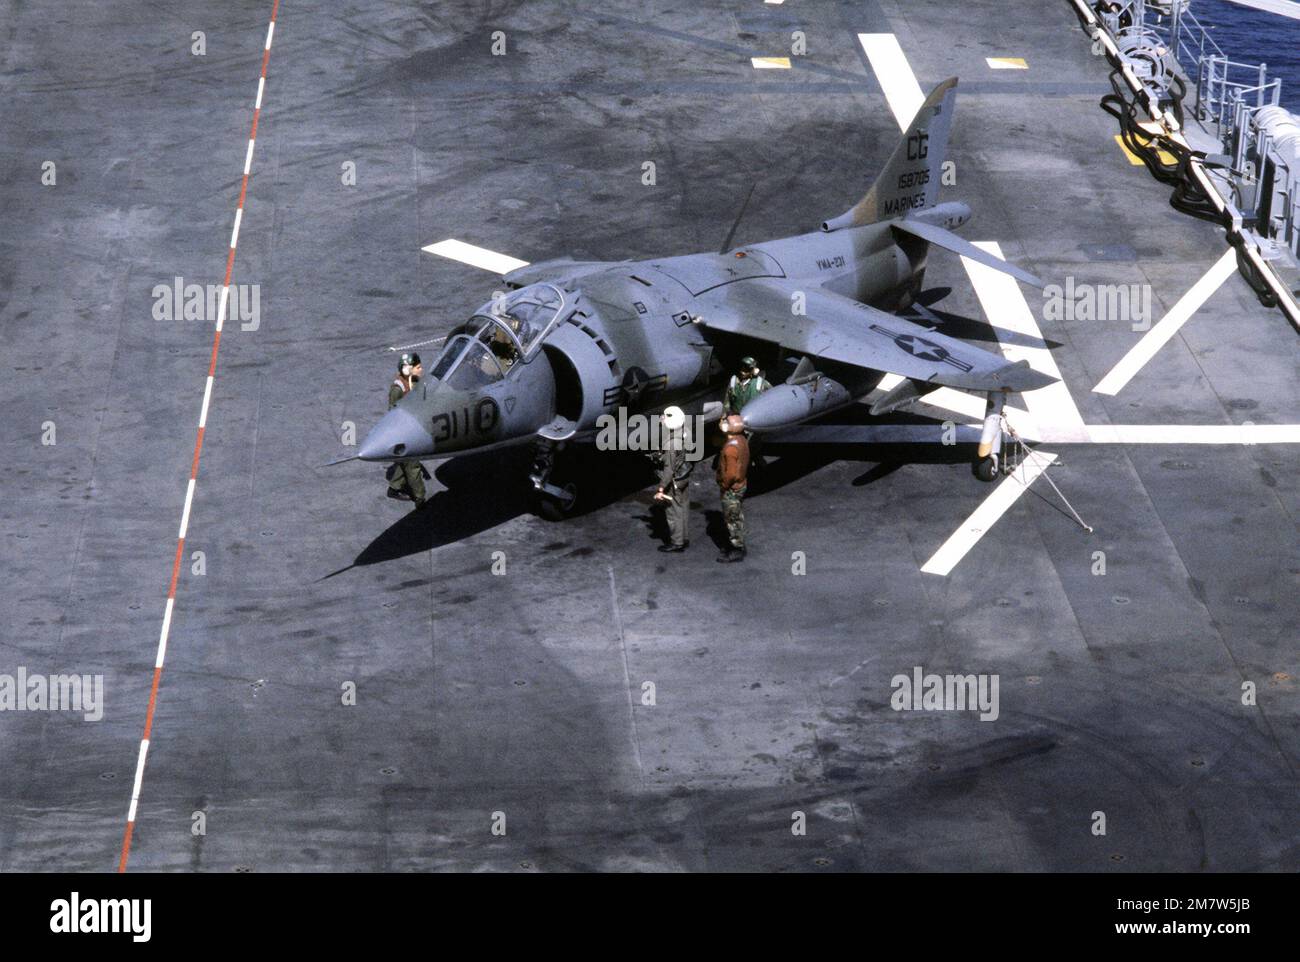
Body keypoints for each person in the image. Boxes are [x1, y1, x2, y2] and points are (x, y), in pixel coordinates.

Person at [386, 352, 428, 508]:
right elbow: (392, 414)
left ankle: (394, 487)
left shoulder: (414, 382)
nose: (421, 369)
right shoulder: (398, 389)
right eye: (418, 367)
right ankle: (420, 498)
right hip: (404, 432)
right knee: (413, 464)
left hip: (413, 427)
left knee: (405, 463)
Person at [652, 406, 692, 552]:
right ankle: (684, 537)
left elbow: (668, 470)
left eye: (665, 417)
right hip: (684, 476)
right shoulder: (685, 432)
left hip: (674, 480)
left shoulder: (671, 444)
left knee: (673, 511)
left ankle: (676, 542)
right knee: (683, 507)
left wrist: (661, 488)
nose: (662, 419)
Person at [715, 414, 749, 562]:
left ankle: (737, 548)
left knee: (732, 518)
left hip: (731, 489)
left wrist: (724, 485)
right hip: (741, 485)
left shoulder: (730, 448)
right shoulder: (742, 440)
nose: (723, 423)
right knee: (737, 515)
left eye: (726, 422)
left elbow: (730, 474)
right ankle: (736, 543)